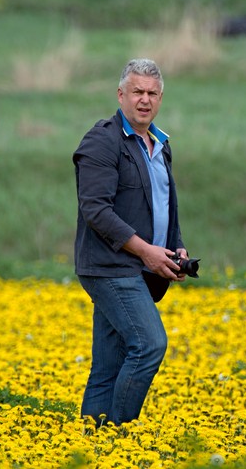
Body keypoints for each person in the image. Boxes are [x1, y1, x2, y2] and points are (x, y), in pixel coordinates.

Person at [73, 58, 188, 426]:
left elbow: (164, 204)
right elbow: (96, 210)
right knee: (150, 344)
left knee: (108, 366)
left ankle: (91, 449)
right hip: (110, 267)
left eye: (152, 93)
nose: (145, 99)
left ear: (161, 98)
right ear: (120, 95)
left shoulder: (159, 144)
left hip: (139, 269)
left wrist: (175, 247)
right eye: (137, 91)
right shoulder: (101, 141)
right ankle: (119, 434)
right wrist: (145, 251)